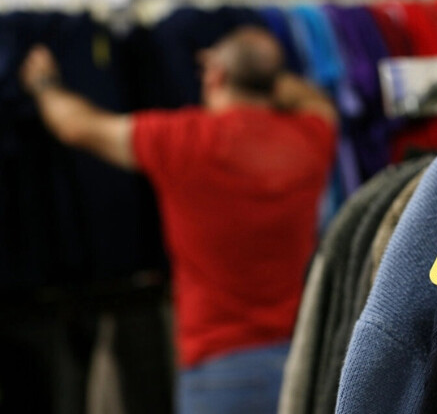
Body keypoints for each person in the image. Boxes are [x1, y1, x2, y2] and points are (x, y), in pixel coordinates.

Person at [20, 26, 337, 413]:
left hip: (218, 369)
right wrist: (256, 70)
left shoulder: (183, 140)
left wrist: (44, 83)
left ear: (216, 75)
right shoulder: (311, 136)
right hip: (302, 360)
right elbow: (316, 100)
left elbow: (76, 126)